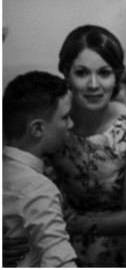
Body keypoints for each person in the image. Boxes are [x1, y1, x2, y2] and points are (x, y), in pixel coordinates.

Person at [48, 25, 126, 267]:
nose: (94, 84)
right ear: (66, 73)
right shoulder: (52, 119)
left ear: (116, 76)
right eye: (82, 73)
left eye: (104, 73)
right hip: (63, 238)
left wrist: (68, 224)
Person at [3, 71, 77, 267]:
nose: (71, 124)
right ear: (37, 129)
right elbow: (60, 262)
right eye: (65, 117)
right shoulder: (38, 189)